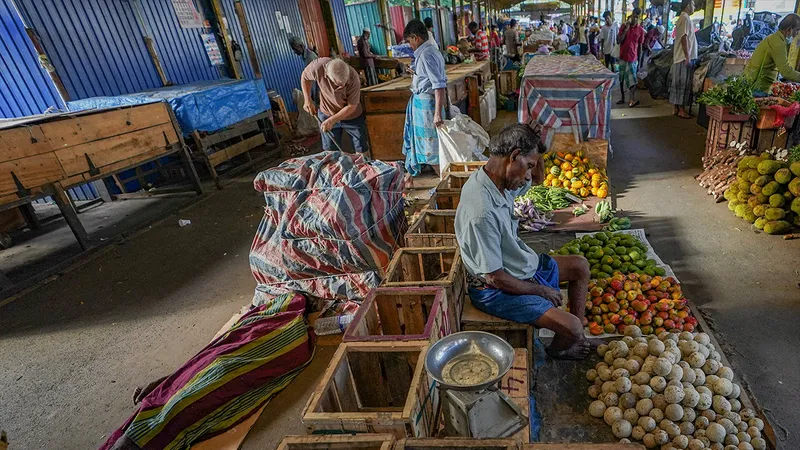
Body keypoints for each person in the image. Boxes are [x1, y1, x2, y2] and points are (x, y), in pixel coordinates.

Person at [100, 293, 314, 450]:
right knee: (191, 392)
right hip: (213, 372)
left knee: (192, 397)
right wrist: (170, 381)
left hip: (230, 367)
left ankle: (144, 437)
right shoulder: (271, 317)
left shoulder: (291, 326)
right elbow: (206, 358)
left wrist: (171, 382)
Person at [455, 124, 593, 360]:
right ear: (514, 156)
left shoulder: (500, 181)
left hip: (518, 267)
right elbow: (495, 278)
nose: (530, 174)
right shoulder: (481, 211)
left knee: (579, 266)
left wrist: (536, 143)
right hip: (495, 291)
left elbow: (539, 178)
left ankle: (575, 339)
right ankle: (558, 349)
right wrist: (541, 290)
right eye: (528, 165)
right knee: (573, 326)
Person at [402, 19, 447, 177]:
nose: (410, 45)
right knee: (429, 146)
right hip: (423, 104)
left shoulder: (427, 54)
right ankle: (443, 177)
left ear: (416, 37)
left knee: (431, 149)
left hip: (427, 107)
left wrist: (437, 114)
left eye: (409, 41)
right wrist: (416, 71)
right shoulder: (429, 52)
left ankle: (444, 179)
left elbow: (439, 85)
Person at [301, 58, 368, 154]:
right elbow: (305, 77)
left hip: (352, 116)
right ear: (327, 75)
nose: (342, 86)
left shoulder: (353, 77)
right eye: (338, 84)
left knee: (361, 149)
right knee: (330, 151)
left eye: (344, 84)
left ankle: (363, 167)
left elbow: (351, 106)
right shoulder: (318, 67)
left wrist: (332, 120)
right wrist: (307, 100)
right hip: (327, 112)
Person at [743, 14, 800, 93]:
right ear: (789, 29)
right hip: (757, 85)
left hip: (754, 81)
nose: (797, 34)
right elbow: (786, 71)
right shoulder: (778, 43)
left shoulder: (775, 37)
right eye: (797, 30)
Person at [671, 0, 698, 119]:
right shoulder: (685, 18)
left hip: (680, 57)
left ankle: (676, 108)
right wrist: (687, 56)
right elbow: (684, 38)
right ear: (687, 6)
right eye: (692, 4)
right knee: (683, 83)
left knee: (677, 83)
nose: (694, 6)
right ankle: (681, 110)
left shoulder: (682, 18)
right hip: (683, 57)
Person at [617, 8, 645, 107]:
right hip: (623, 56)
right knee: (621, 78)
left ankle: (632, 99)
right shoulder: (624, 26)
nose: (635, 19)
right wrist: (626, 29)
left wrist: (639, 61)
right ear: (631, 15)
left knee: (632, 80)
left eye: (637, 17)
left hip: (633, 58)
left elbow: (640, 46)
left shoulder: (640, 30)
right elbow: (619, 41)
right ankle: (622, 97)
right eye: (634, 16)